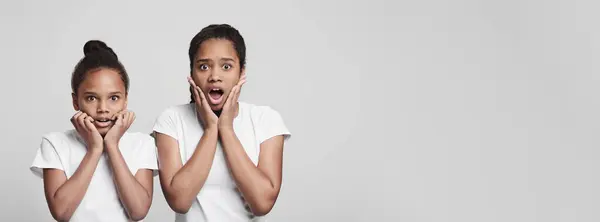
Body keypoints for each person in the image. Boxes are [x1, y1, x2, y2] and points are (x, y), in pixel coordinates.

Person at [152, 24, 292, 221]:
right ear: (191, 73)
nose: (214, 77)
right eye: (203, 66)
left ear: (241, 72)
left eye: (226, 66)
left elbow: (262, 203)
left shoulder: (266, 120)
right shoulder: (171, 119)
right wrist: (211, 130)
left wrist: (226, 128)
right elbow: (180, 201)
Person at [30, 40, 158, 222]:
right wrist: (94, 149)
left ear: (125, 100)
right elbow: (61, 212)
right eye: (91, 98)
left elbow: (138, 211)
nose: (103, 108)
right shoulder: (55, 144)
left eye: (114, 98)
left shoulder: (142, 144)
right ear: (76, 101)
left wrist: (112, 146)